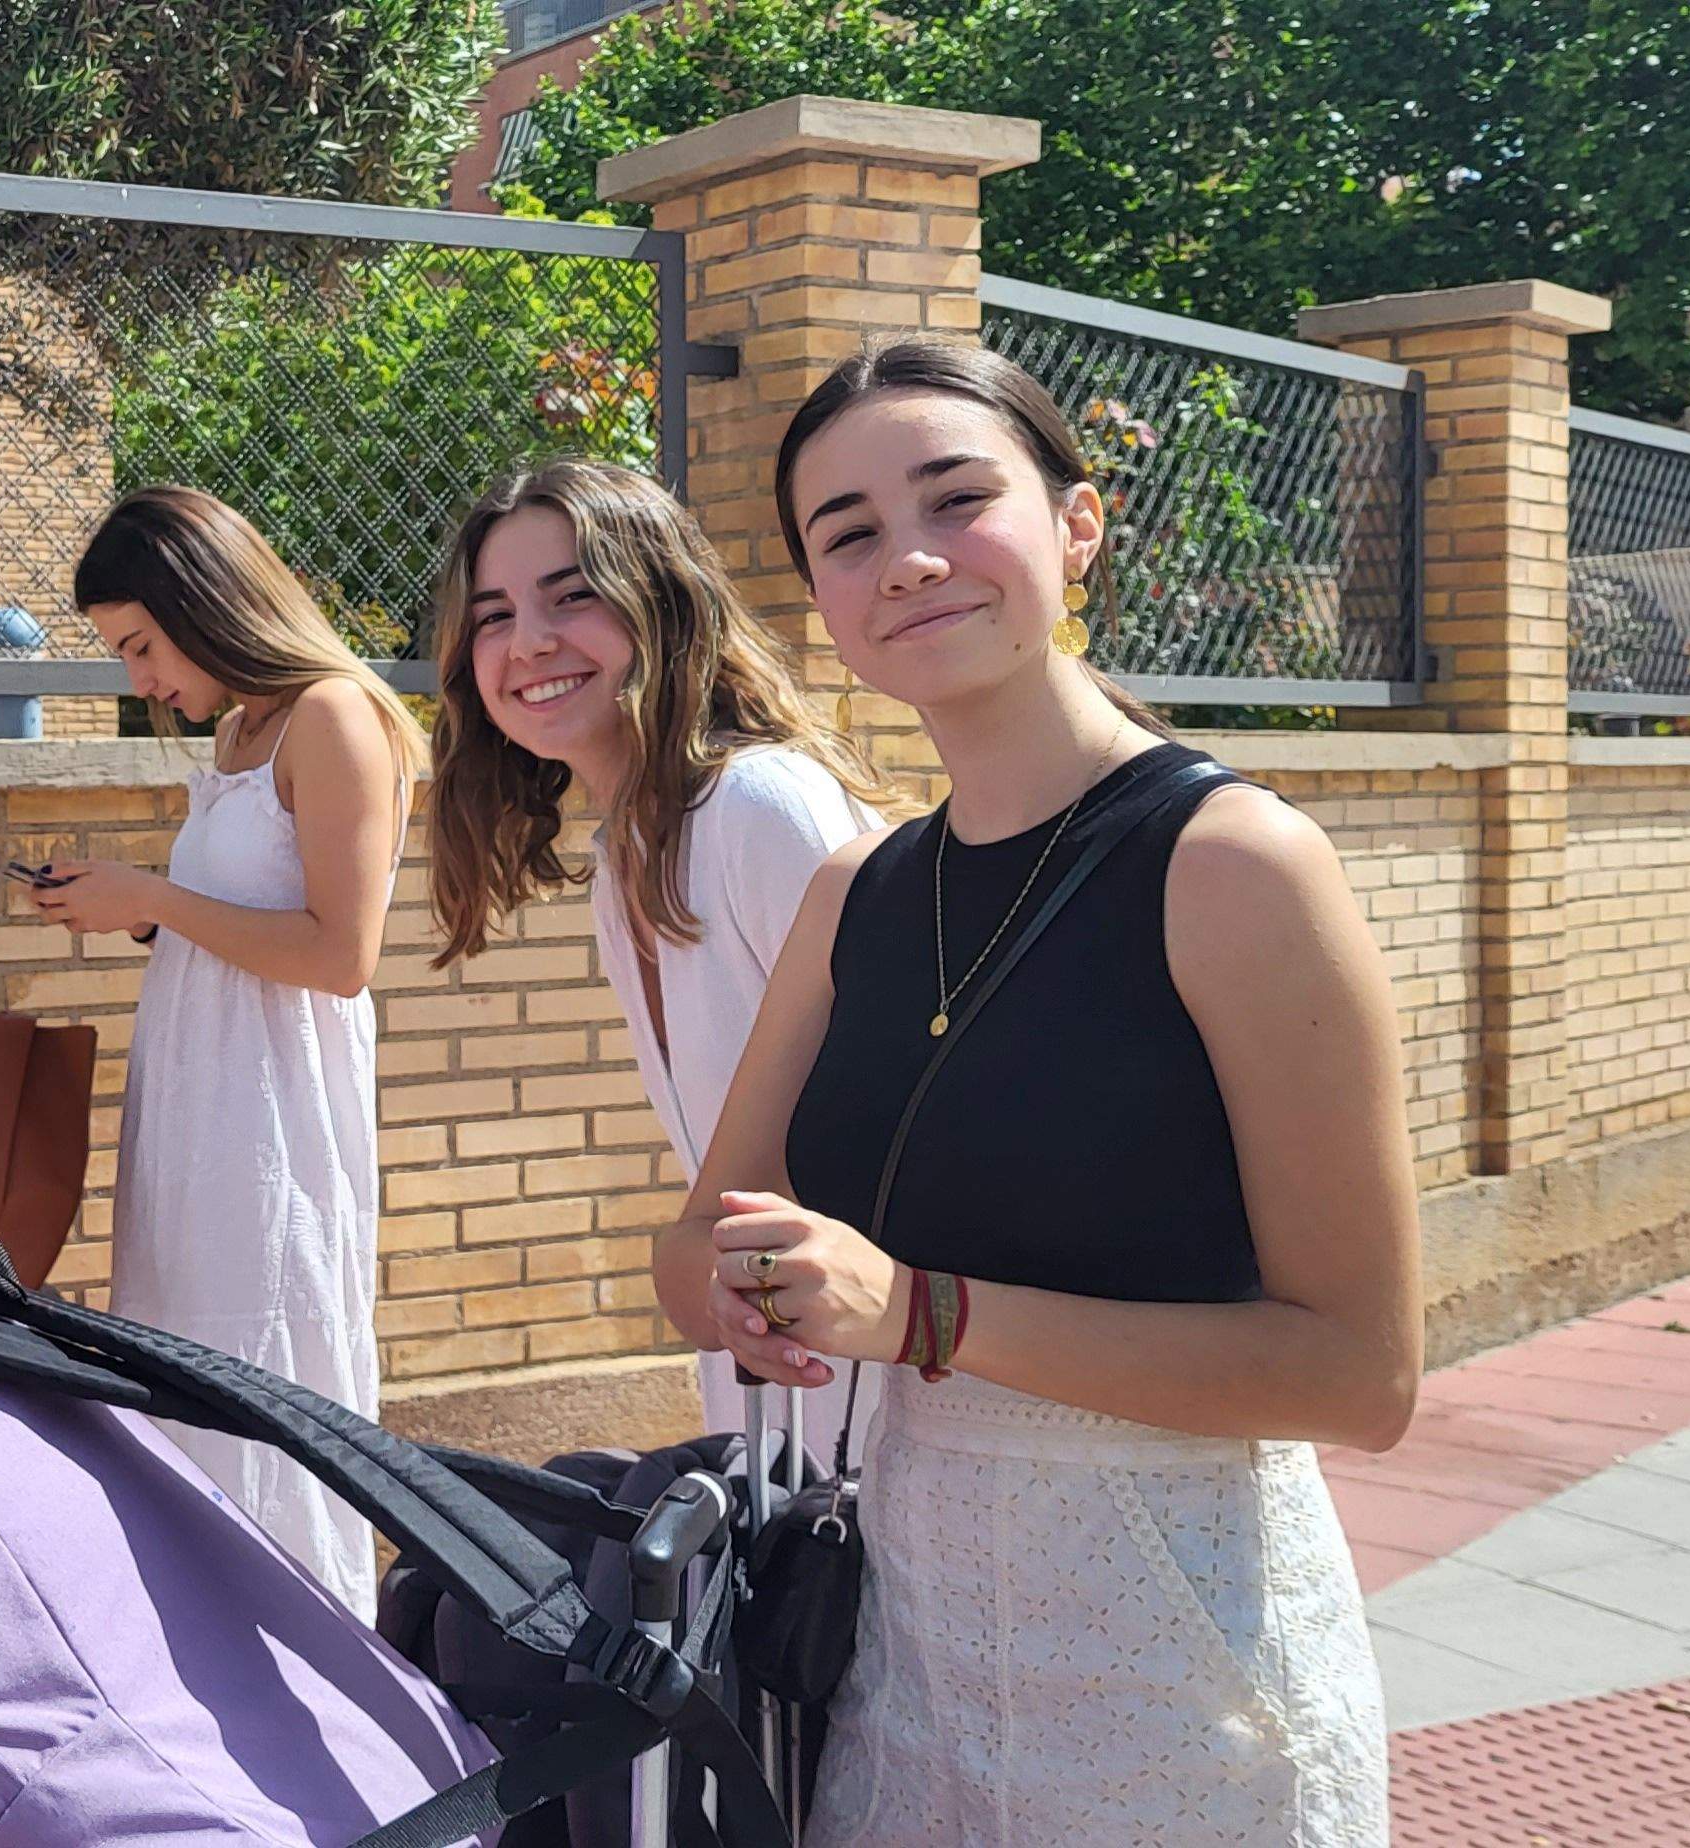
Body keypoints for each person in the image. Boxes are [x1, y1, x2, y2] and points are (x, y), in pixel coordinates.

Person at [661, 337, 1414, 1843]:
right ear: (820, 599)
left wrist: (925, 1314)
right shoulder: (853, 893)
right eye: (850, 535)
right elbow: (703, 1240)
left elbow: (1360, 1376)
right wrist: (737, 1286)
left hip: (1187, 1659)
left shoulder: (1234, 865)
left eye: (957, 501)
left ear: (1077, 528)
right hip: (910, 1649)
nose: (912, 560)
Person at [420, 457, 894, 1437]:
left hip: (881, 1376)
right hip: (770, 1360)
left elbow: (900, 1109)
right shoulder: (628, 847)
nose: (529, 642)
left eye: (572, 596)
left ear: (662, 605)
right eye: (494, 615)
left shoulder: (760, 804)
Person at [23, 484, 421, 1618]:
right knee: (189, 1354)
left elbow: (341, 954)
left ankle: (312, 1655)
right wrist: (138, 909)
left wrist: (153, 892)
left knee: (271, 1356)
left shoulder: (332, 716)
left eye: (141, 645)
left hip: (272, 1118)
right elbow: (244, 920)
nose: (139, 680)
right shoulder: (244, 730)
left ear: (205, 603)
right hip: (200, 1108)